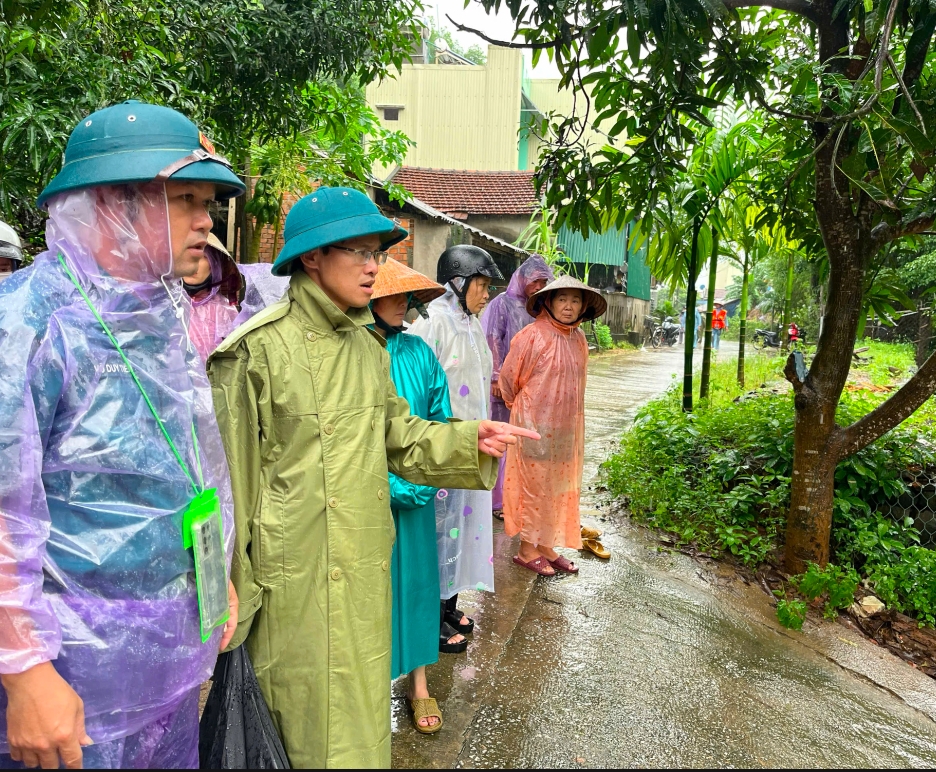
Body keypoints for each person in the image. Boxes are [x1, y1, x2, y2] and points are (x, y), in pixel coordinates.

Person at [207, 190, 537, 769]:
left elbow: (398, 435)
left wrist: (466, 439)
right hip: (292, 589)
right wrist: (231, 601)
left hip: (362, 572)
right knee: (297, 733)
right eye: (357, 251)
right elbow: (229, 493)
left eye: (376, 252)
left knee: (360, 730)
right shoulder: (253, 352)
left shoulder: (368, 347)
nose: (372, 266)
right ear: (311, 258)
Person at [0, 101, 244, 770]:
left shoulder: (158, 311)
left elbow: (188, 464)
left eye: (209, 200)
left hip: (161, 662)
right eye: (186, 199)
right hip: (67, 678)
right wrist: (23, 671)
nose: (208, 220)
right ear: (114, 203)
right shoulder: (26, 322)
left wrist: (211, 573)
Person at [368, 259, 458, 735]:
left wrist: (420, 481)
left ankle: (420, 683)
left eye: (408, 296)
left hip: (419, 495)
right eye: (393, 294)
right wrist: (386, 481)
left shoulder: (421, 352)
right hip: (366, 493)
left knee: (420, 586)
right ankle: (367, 687)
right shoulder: (356, 348)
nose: (403, 303)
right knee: (373, 589)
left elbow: (440, 419)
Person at [408, 245, 504, 651]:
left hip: (471, 446)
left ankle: (448, 605)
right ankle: (426, 616)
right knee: (436, 531)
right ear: (459, 282)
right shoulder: (433, 324)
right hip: (444, 445)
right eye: (481, 285)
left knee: (459, 530)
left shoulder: (471, 324)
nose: (486, 294)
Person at [501, 276, 606, 575]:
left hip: (565, 430)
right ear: (548, 302)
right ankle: (526, 548)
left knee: (556, 488)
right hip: (533, 425)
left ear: (584, 306)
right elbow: (509, 381)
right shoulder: (531, 336)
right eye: (562, 299)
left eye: (575, 300)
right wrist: (526, 411)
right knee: (532, 487)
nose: (569, 307)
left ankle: (545, 545)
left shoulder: (579, 339)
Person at [479, 255, 554, 519]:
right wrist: (497, 377)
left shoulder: (542, 309)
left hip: (530, 388)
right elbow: (492, 338)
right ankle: (497, 502)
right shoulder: (502, 304)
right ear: (522, 279)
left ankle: (517, 495)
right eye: (535, 281)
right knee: (501, 439)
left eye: (544, 281)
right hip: (503, 386)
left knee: (522, 441)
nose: (539, 286)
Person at [183, 233, 242, 361]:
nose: (192, 264)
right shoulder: (164, 303)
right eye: (186, 256)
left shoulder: (223, 311)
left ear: (213, 265)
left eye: (202, 257)